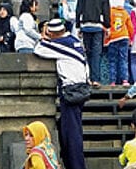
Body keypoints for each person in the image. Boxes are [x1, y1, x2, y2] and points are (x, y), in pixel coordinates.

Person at [33, 18, 88, 169]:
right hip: (80, 88)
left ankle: (76, 166)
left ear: (53, 33)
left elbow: (39, 49)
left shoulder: (61, 44)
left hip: (70, 91)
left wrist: (44, 37)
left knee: (71, 134)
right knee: (68, 129)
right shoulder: (74, 41)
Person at [76, 0, 110, 86]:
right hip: (98, 26)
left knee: (88, 52)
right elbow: (106, 10)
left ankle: (88, 77)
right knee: (97, 53)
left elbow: (78, 10)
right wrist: (107, 25)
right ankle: (96, 79)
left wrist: (78, 25)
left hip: (85, 26)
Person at [106, 0, 133, 86]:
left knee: (112, 60)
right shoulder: (125, 12)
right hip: (124, 36)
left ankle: (112, 81)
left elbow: (107, 25)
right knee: (123, 59)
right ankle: (125, 80)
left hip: (113, 38)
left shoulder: (110, 12)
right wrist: (131, 38)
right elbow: (130, 27)